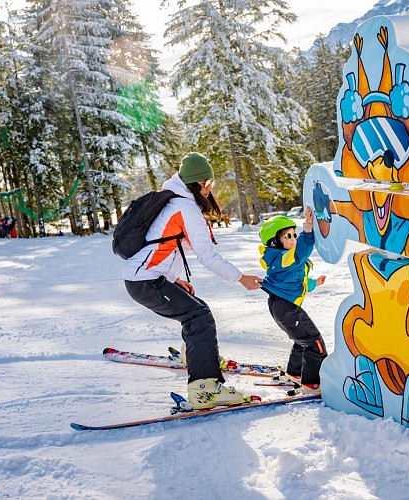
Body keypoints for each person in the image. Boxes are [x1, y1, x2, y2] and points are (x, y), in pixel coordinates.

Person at [122, 152, 262, 410]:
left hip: (148, 276)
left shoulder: (176, 203)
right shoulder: (185, 207)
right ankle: (204, 389)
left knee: (195, 308)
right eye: (208, 184)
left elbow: (166, 246)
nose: (210, 190)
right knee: (198, 316)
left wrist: (174, 280)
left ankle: (198, 356)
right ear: (196, 184)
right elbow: (206, 255)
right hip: (144, 280)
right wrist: (241, 278)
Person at [258, 207, 327, 396]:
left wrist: (314, 283)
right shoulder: (283, 257)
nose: (293, 238)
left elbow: (295, 281)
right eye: (287, 236)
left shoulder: (282, 260)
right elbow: (300, 254)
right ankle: (313, 384)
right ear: (275, 242)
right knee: (314, 342)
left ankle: (295, 373)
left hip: (282, 304)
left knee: (301, 339)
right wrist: (307, 230)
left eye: (294, 234)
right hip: (285, 307)